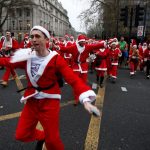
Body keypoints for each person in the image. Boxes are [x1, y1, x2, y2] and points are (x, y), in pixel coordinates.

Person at [0, 25, 100, 150]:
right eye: (32, 36)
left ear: (47, 40)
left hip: (50, 102)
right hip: (32, 101)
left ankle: (48, 139)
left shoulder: (56, 59)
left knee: (53, 141)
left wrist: (85, 100)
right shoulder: (27, 57)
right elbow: (7, 62)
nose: (33, 39)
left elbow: (73, 79)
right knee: (21, 135)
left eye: (37, 36)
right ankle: (43, 137)